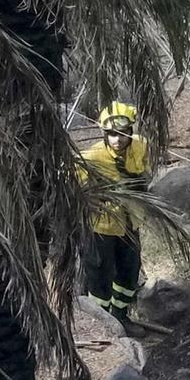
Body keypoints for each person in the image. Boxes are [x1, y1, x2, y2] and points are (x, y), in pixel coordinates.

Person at [80, 101, 151, 324]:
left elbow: (145, 174)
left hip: (130, 221)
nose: (117, 139)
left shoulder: (141, 147)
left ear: (131, 132)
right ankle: (100, 323)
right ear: (104, 134)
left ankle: (120, 317)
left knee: (129, 271)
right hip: (101, 225)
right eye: (111, 134)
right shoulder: (92, 157)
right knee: (100, 274)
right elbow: (78, 189)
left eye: (122, 133)